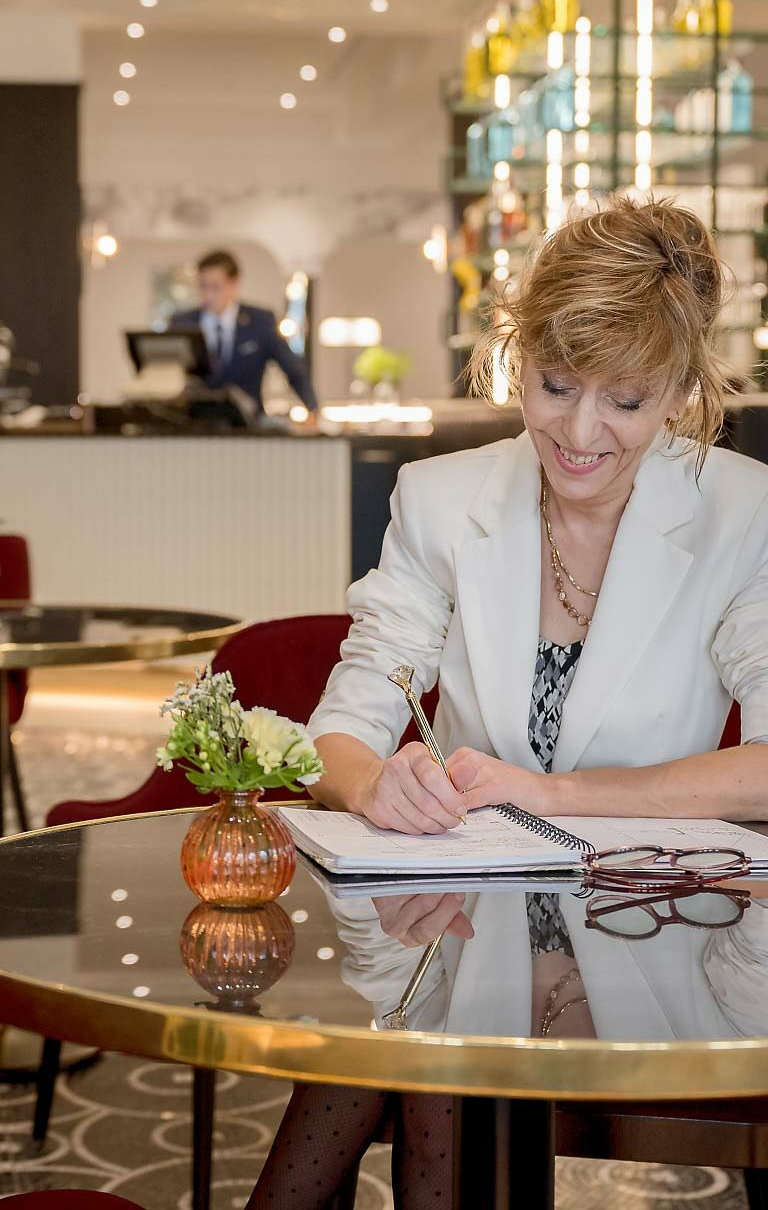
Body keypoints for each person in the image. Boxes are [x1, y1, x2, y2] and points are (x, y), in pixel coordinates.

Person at [247, 195, 768, 1207]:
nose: (577, 432)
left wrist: (552, 788)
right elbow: (343, 728)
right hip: (471, 908)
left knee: (416, 1039)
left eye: (625, 399)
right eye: (555, 383)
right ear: (515, 356)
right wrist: (374, 786)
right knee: (409, 1020)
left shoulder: (741, 510)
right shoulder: (442, 498)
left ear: (681, 390)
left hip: (666, 926)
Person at [170, 249, 319, 422]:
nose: (208, 294)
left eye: (215, 287)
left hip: (247, 426)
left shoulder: (260, 322)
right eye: (203, 286)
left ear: (234, 284)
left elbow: (293, 370)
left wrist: (312, 409)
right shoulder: (182, 323)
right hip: (192, 424)